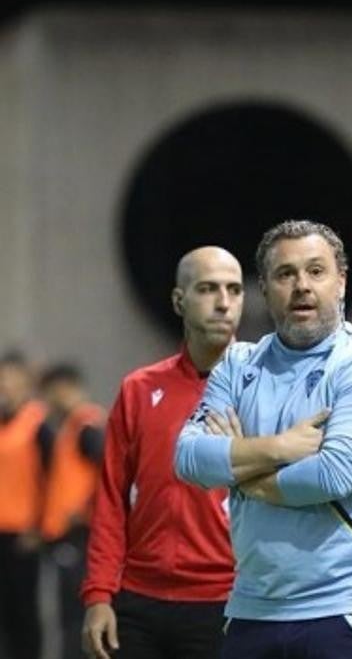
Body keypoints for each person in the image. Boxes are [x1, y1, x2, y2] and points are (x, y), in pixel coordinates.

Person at [174, 220, 352, 658]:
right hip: (252, 606)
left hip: (345, 604)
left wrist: (242, 474)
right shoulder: (237, 365)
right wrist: (281, 448)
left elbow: (331, 475)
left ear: (341, 281)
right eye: (286, 274)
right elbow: (189, 457)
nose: (302, 285)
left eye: (316, 271)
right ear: (265, 288)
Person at [81, 247, 245, 659]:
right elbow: (111, 501)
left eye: (234, 290)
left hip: (226, 604)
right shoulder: (138, 389)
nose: (224, 303)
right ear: (179, 301)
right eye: (208, 289)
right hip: (137, 602)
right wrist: (99, 594)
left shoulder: (265, 389)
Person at [38, 363, 107, 659]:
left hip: (80, 537)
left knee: (76, 616)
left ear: (63, 389)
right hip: (71, 535)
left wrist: (84, 511)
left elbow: (111, 473)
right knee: (70, 616)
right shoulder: (73, 426)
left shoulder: (86, 427)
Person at [0, 350, 51, 659]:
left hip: (24, 535)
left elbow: (52, 481)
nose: (5, 384)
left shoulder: (39, 424)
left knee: (24, 611)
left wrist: (39, 527)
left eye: (10, 377)